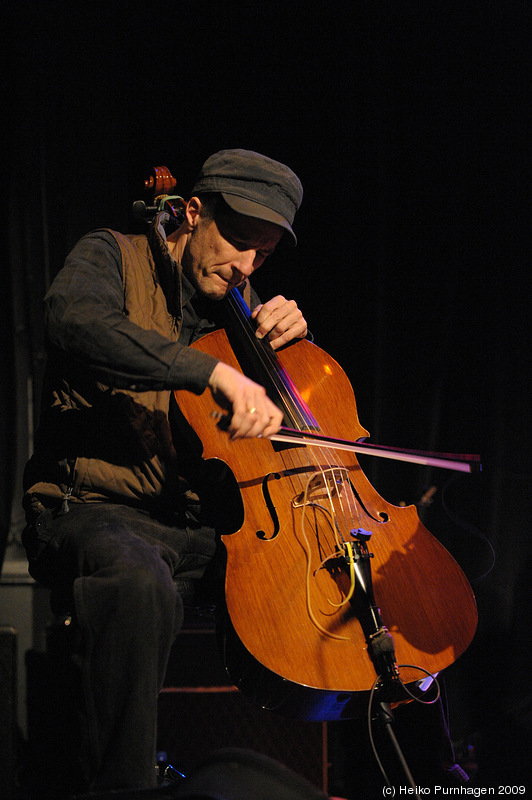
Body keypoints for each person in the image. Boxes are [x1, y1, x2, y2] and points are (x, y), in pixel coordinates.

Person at [21, 149, 309, 796]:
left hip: (194, 525)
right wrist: (212, 371)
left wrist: (285, 348)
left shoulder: (239, 309)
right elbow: (77, 322)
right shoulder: (110, 255)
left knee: (329, 585)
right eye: (237, 242)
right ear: (192, 211)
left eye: (261, 255)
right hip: (92, 508)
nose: (244, 267)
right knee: (136, 578)